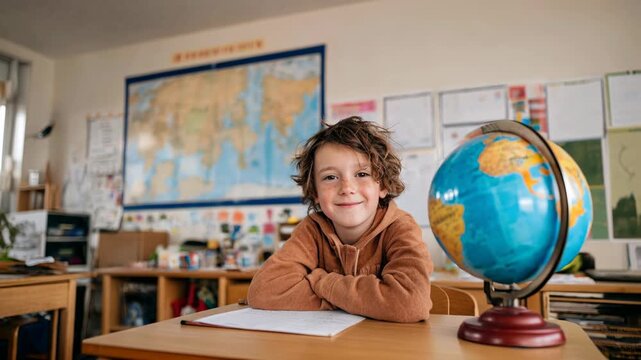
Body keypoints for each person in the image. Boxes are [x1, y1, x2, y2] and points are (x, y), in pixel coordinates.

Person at [247, 116, 433, 322]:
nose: (346, 188)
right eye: (330, 177)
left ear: (383, 186)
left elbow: (409, 304)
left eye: (362, 174)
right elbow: (264, 291)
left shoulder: (400, 227)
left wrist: (322, 281)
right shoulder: (312, 229)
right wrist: (359, 301)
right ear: (315, 192)